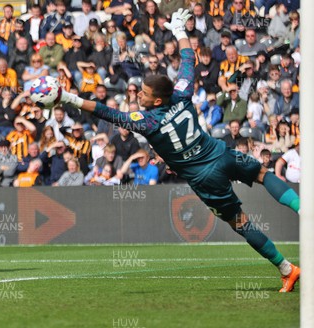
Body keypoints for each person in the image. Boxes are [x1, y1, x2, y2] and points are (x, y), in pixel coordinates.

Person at [51, 9, 300, 292]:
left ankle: (286, 269)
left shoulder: (147, 121)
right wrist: (180, 31)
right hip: (222, 154)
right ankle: (304, 209)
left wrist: (67, 97)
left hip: (205, 179)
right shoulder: (181, 94)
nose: (137, 95)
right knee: (264, 174)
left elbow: (107, 112)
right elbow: (187, 60)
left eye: (143, 94)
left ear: (156, 101)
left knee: (241, 223)